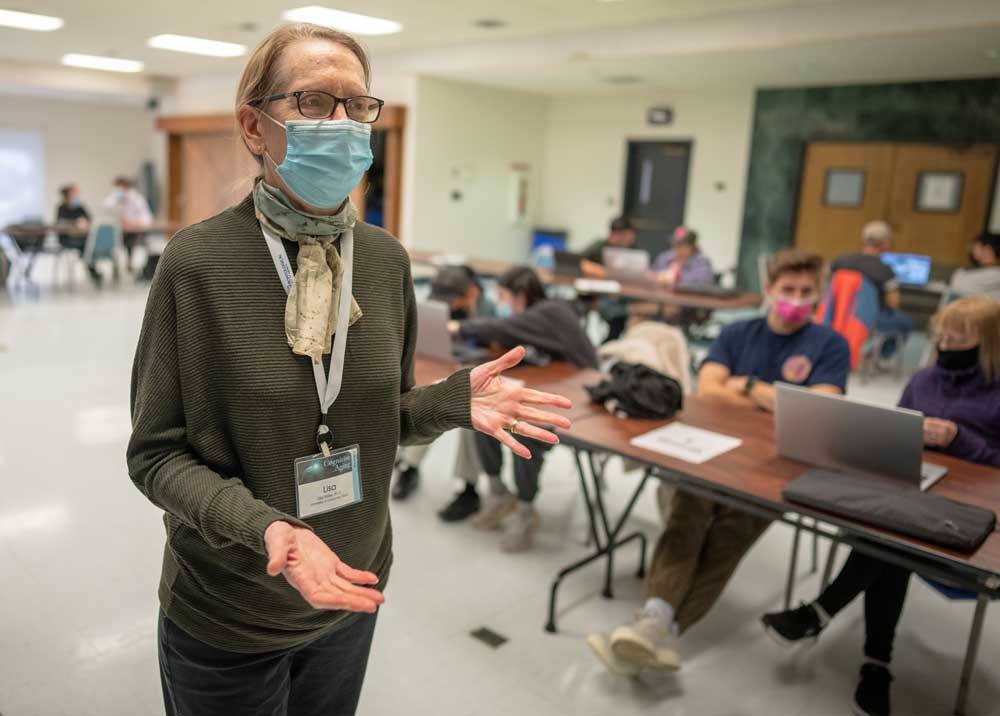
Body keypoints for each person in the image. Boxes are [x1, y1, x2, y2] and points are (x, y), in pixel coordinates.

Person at [128, 24, 572, 716]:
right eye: (312, 102)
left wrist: (451, 404)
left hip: (352, 592)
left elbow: (382, 418)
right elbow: (157, 456)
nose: (341, 123)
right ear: (255, 125)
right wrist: (270, 531)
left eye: (357, 105)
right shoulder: (197, 264)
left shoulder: (385, 260)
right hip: (231, 608)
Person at [587, 249, 851, 675]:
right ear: (769, 290)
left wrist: (744, 386)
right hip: (714, 448)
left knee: (732, 530)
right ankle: (658, 626)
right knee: (686, 513)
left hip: (780, 462)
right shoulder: (738, 333)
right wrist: (779, 398)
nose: (797, 298)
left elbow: (822, 408)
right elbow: (708, 392)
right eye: (788, 289)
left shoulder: (830, 345)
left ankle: (654, 629)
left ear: (819, 294)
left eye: (807, 291)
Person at [761, 295, 1000, 716]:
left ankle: (826, 617)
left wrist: (961, 440)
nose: (945, 343)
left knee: (890, 543)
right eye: (942, 333)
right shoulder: (924, 380)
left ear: (990, 342)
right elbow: (895, 432)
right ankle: (873, 662)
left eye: (958, 336)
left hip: (974, 515)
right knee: (890, 536)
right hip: (917, 490)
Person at [454, 266, 599, 552]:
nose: (501, 302)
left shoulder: (550, 312)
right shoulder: (538, 315)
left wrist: (459, 327)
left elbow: (501, 327)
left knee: (523, 432)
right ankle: (498, 494)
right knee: (485, 416)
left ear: (520, 294)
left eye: (504, 295)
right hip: (555, 385)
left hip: (582, 399)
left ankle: (525, 509)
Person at [391, 265, 495, 502]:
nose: (449, 306)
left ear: (471, 292)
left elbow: (495, 346)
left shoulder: (488, 308)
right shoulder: (440, 304)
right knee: (426, 401)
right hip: (446, 366)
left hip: (478, 374)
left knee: (467, 413)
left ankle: (467, 486)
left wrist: (472, 314)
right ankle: (410, 467)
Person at [831, 220, 913, 358]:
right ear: (886, 243)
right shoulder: (885, 271)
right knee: (906, 323)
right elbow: (893, 303)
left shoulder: (840, 262)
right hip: (869, 320)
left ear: (863, 240)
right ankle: (875, 356)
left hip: (836, 313)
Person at [579, 215, 638, 342]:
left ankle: (609, 345)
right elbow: (579, 261)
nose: (632, 238)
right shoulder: (599, 246)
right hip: (593, 294)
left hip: (618, 296)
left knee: (620, 314)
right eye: (629, 234)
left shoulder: (632, 251)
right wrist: (603, 272)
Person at [103, 175, 153, 271]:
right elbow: (106, 205)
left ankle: (130, 263)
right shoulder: (116, 198)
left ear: (125, 187)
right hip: (118, 231)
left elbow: (147, 218)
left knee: (130, 240)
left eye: (119, 187)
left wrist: (135, 221)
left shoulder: (136, 198)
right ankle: (115, 267)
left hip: (133, 231)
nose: (117, 190)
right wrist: (116, 197)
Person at [55, 183, 100, 285]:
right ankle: (93, 270)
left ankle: (92, 269)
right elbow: (60, 223)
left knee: (89, 245)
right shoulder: (61, 208)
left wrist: (84, 222)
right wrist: (75, 223)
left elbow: (89, 219)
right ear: (67, 195)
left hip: (81, 237)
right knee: (85, 246)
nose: (76, 196)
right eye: (73, 194)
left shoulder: (80, 207)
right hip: (67, 239)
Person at [950, 232, 1000, 299]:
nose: (971, 249)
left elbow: (958, 285)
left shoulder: (995, 274)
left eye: (975, 245)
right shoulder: (988, 271)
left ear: (987, 249)